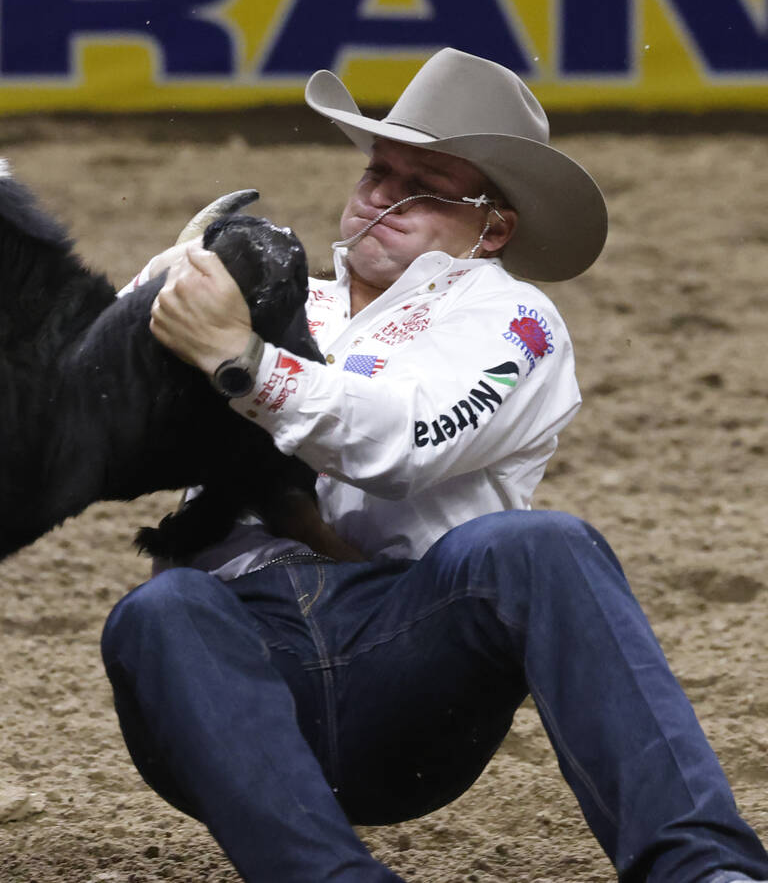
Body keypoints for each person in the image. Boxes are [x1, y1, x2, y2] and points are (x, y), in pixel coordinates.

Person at [100, 48, 768, 883]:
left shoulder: (513, 318)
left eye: (428, 186)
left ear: (494, 228)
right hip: (229, 654)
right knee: (160, 611)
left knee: (542, 547)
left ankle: (705, 871)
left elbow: (410, 440)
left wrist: (242, 362)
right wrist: (140, 316)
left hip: (406, 659)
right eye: (379, 172)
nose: (385, 197)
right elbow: (87, 424)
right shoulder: (275, 294)